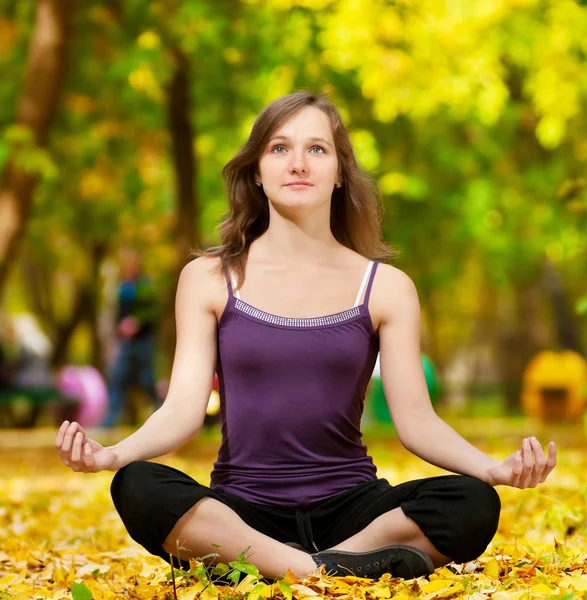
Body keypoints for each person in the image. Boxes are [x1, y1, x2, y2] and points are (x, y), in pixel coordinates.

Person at [55, 91, 557, 581]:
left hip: (354, 509)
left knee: (470, 502)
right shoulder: (209, 277)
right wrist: (113, 455)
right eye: (280, 148)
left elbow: (417, 422)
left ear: (340, 173)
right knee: (139, 485)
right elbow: (183, 410)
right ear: (257, 170)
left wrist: (494, 471)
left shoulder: (386, 288)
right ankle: (334, 569)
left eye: (317, 149)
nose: (298, 163)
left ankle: (280, 567)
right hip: (243, 509)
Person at [101, 249, 162, 427]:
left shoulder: (145, 285)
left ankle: (159, 416)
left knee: (147, 380)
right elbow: (114, 314)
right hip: (125, 343)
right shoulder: (120, 287)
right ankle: (109, 422)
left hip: (143, 342)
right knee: (118, 380)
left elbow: (153, 311)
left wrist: (137, 322)